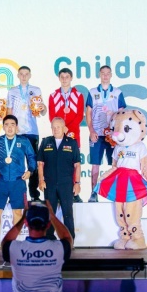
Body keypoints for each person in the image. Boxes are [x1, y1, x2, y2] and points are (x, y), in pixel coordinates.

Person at [2, 201, 73, 292]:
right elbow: (67, 237)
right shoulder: (58, 248)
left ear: (26, 223)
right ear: (48, 225)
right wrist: (52, 215)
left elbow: (5, 241)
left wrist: (22, 218)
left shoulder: (14, 248)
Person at [0, 114, 37, 251]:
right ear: (3, 127)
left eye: (12, 124)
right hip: (1, 182)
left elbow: (32, 157)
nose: (9, 127)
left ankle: (17, 241)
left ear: (16, 127)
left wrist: (30, 170)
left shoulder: (24, 141)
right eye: (6, 125)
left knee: (17, 212)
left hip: (18, 181)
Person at [85, 65, 126, 202]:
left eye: (108, 73)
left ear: (111, 75)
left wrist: (117, 133)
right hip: (97, 134)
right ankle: (93, 193)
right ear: (99, 74)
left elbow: (122, 114)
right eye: (103, 73)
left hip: (112, 135)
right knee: (95, 164)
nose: (105, 76)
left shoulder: (117, 92)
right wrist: (91, 130)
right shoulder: (92, 92)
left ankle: (115, 193)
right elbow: (88, 113)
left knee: (115, 164)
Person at [37, 117, 81, 240]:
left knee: (67, 212)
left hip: (66, 184)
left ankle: (69, 239)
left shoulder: (72, 143)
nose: (56, 129)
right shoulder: (45, 142)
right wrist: (41, 180)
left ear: (64, 128)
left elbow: (77, 165)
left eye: (58, 127)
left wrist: (77, 183)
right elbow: (40, 164)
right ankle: (49, 237)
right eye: (53, 127)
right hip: (49, 183)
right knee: (50, 212)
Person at [7, 66, 46, 201]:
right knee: (15, 164)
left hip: (32, 132)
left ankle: (34, 195)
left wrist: (43, 108)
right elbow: (9, 112)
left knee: (32, 163)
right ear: (18, 75)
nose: (24, 76)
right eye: (21, 74)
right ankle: (17, 194)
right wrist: (11, 129)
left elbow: (42, 112)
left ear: (30, 75)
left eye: (26, 74)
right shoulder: (12, 91)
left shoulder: (36, 90)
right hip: (17, 133)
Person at [48, 67, 85, 203]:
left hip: (73, 132)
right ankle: (58, 191)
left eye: (67, 77)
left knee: (74, 162)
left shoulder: (78, 95)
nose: (64, 79)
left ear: (71, 78)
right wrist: (60, 128)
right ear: (59, 78)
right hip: (58, 132)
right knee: (58, 162)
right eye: (62, 77)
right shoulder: (53, 95)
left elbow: (79, 115)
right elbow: (52, 115)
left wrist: (67, 128)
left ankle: (74, 191)